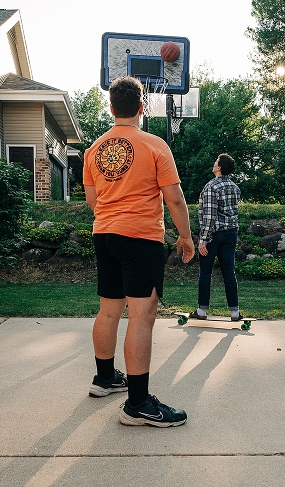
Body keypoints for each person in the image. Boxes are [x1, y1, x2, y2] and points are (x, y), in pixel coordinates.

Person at [83, 76, 194, 428]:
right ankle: (138, 404)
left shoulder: (93, 150)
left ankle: (105, 379)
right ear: (142, 107)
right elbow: (174, 197)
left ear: (111, 107)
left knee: (108, 311)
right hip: (141, 238)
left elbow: (92, 200)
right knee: (142, 316)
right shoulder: (154, 145)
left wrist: (113, 215)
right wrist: (186, 237)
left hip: (105, 234)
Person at [190, 153, 242, 321]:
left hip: (214, 235)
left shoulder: (211, 187)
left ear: (219, 167)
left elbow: (209, 216)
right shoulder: (235, 187)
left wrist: (202, 240)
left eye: (215, 162)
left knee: (205, 272)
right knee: (229, 271)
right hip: (231, 233)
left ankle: (202, 311)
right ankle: (235, 312)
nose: (213, 164)